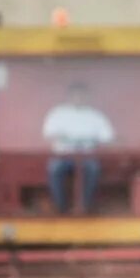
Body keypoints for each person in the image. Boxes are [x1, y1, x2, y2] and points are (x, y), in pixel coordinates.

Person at [41, 81, 115, 215]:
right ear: (69, 96)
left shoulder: (96, 115)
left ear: (87, 97)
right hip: (63, 155)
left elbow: (107, 136)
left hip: (87, 155)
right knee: (54, 168)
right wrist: (65, 137)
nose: (78, 98)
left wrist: (91, 139)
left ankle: (85, 206)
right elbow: (48, 133)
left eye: (82, 95)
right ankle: (60, 207)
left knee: (94, 169)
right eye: (75, 95)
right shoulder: (58, 113)